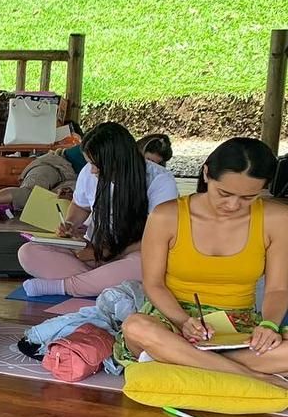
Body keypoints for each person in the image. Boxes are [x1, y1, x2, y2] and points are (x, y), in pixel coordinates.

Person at [120, 138, 288, 386]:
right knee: (136, 327)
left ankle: (187, 362)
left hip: (238, 329)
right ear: (207, 173)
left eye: (249, 197)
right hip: (175, 324)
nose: (233, 205)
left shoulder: (277, 218)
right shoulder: (167, 216)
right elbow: (153, 284)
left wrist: (269, 325)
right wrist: (183, 322)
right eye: (224, 193)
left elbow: (278, 289)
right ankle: (253, 376)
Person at [18, 122, 179, 298]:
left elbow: (158, 238)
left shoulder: (160, 180)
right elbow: (80, 206)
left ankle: (65, 286)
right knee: (28, 253)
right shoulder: (89, 172)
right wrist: (70, 223)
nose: (93, 170)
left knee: (143, 265)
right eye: (90, 163)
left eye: (97, 165)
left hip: (130, 253)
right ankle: (101, 283)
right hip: (91, 250)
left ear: (118, 160)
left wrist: (107, 254)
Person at [0, 146, 82, 212]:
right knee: (31, 194)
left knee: (51, 201)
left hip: (71, 178)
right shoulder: (90, 145)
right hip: (54, 163)